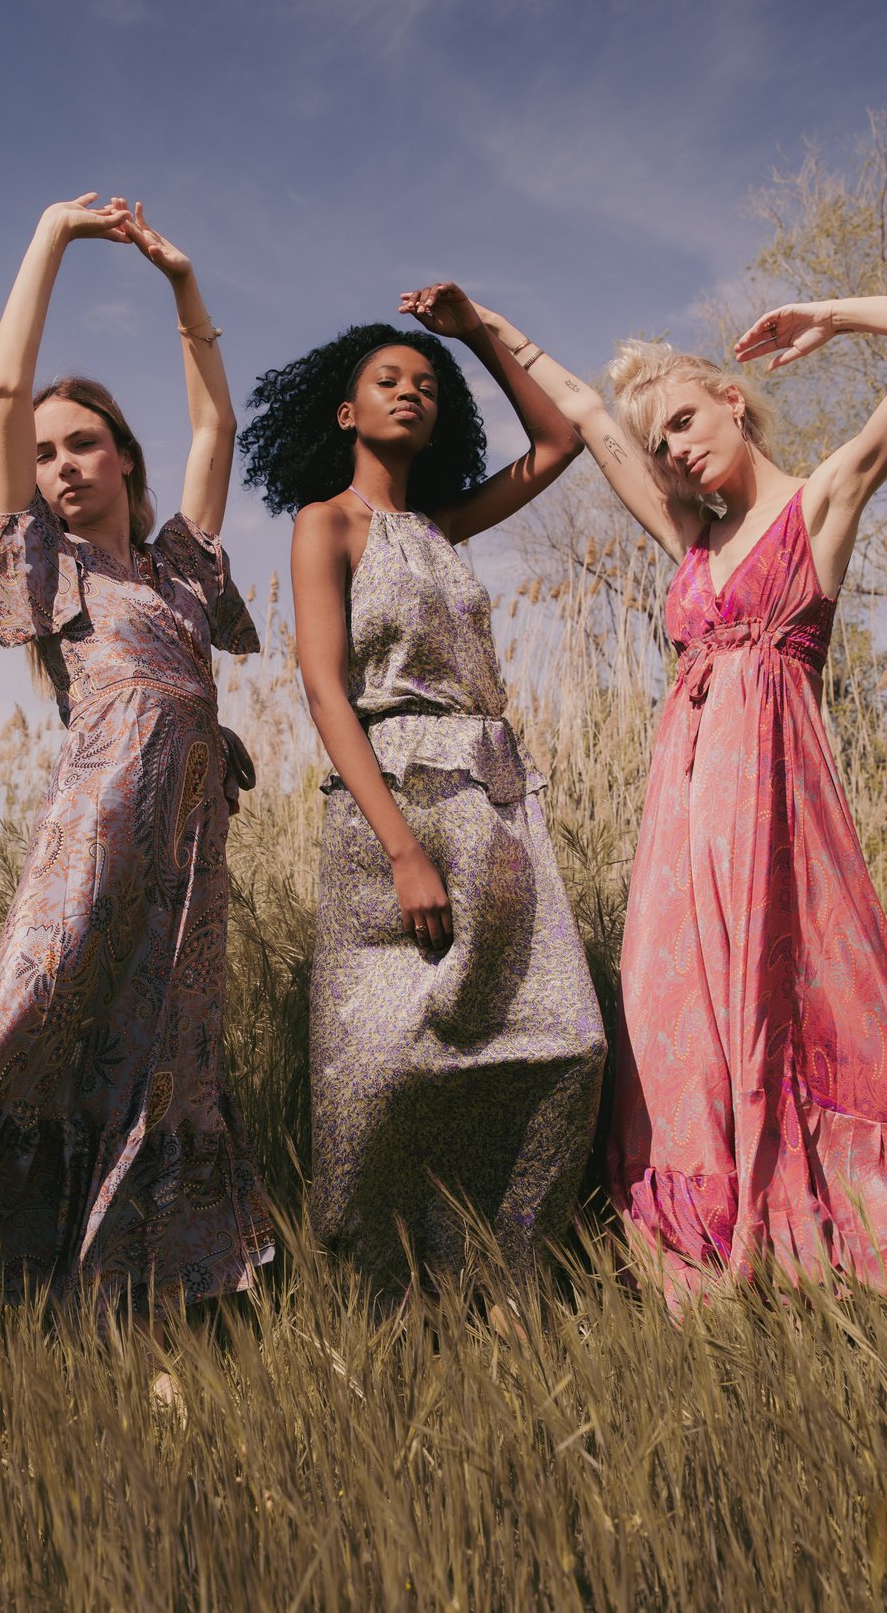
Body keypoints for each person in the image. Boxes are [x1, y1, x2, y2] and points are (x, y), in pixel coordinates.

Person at [473, 294, 887, 1308]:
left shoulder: (818, 503)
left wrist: (833, 313)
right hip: (679, 815)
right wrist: (480, 326)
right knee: (671, 1022)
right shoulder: (688, 541)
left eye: (685, 424)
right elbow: (589, 416)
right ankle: (702, 1246)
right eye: (659, 447)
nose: (671, 453)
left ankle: (822, 1215)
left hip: (774, 812)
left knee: (786, 1009)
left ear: (733, 402)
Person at [0, 195, 273, 1318]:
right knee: (24, 1028)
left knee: (163, 1059)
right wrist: (50, 234)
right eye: (43, 455)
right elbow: (5, 390)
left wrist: (182, 284)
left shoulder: (178, 571)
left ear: (122, 456)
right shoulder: (50, 579)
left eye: (81, 442)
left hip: (190, 859)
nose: (59, 466)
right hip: (94, 834)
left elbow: (216, 432)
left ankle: (133, 1286)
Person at [239, 282, 605, 1292]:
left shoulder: (442, 527)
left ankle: (505, 1275)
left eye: (428, 385)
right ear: (347, 413)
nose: (413, 391)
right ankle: (376, 1285)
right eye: (388, 380)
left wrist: (476, 332)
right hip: (389, 802)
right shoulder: (328, 524)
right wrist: (401, 848)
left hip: (494, 800)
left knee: (562, 1041)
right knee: (381, 1064)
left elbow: (560, 442)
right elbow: (324, 691)